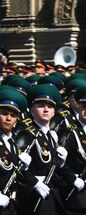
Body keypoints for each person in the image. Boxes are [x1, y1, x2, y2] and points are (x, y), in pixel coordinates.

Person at [15, 83, 68, 214]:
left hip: (50, 191)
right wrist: (34, 183)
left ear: (54, 112)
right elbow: (16, 165)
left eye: (50, 107)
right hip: (32, 194)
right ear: (32, 110)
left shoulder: (51, 135)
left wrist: (61, 163)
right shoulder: (26, 133)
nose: (46, 109)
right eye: (40, 106)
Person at [58, 84, 86, 214]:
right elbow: (60, 162)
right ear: (79, 106)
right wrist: (73, 179)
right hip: (77, 195)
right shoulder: (69, 132)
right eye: (84, 106)